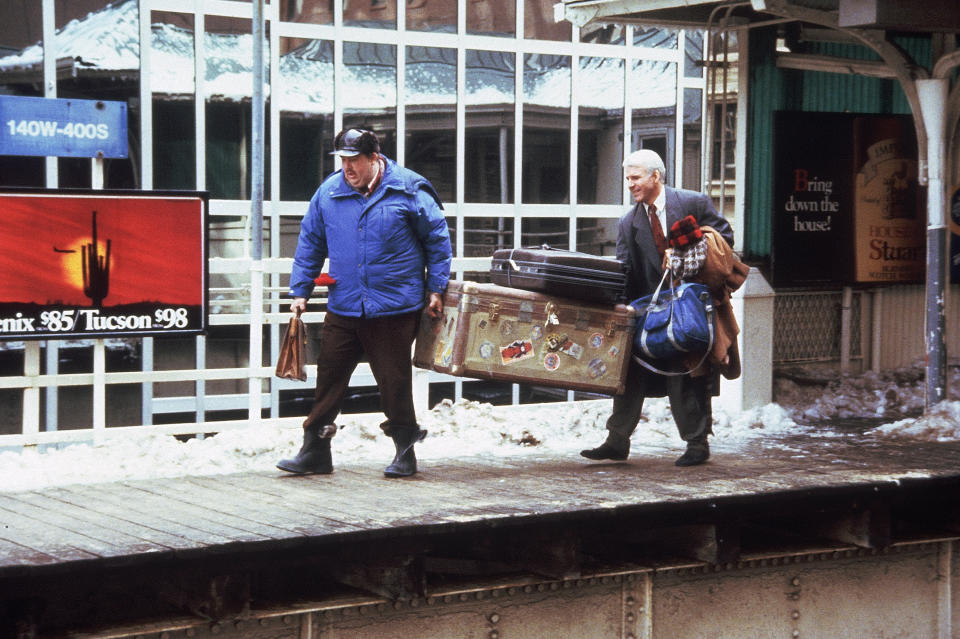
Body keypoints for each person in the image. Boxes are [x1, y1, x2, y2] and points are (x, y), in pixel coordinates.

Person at [277, 128, 452, 478]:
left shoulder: (409, 189)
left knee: (394, 380)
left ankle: (405, 451)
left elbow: (437, 239)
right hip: (344, 305)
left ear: (374, 158)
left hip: (393, 307)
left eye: (354, 160)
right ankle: (315, 449)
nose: (347, 168)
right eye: (342, 160)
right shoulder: (328, 193)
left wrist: (436, 288)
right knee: (329, 376)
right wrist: (299, 293)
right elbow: (310, 242)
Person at [580, 149, 733, 467]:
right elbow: (625, 269)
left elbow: (725, 238)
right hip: (652, 310)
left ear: (655, 176)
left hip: (691, 306)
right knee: (628, 369)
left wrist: (687, 250)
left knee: (687, 372)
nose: (630, 185)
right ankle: (616, 441)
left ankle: (697, 443)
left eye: (635, 178)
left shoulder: (693, 203)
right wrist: (620, 306)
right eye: (628, 179)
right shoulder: (629, 222)